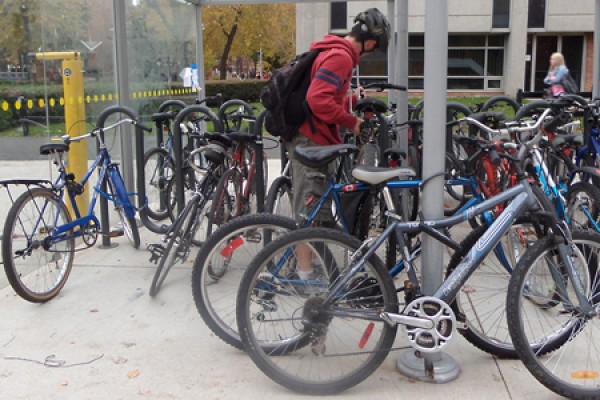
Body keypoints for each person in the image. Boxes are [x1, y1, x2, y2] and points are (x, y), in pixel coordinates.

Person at [287, 7, 390, 280]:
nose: (371, 53)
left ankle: (308, 266)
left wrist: (352, 101)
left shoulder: (333, 51)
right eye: (374, 48)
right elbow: (318, 100)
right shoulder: (341, 57)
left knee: (315, 208)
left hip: (312, 136)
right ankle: (304, 276)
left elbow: (325, 97)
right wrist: (351, 122)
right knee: (308, 210)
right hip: (311, 139)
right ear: (370, 42)